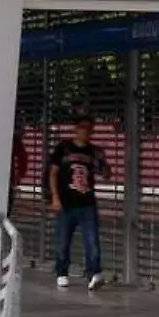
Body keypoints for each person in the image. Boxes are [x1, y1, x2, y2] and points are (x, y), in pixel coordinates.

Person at [48, 115, 110, 290]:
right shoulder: (64, 148)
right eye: (83, 127)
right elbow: (53, 173)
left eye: (90, 128)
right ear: (76, 128)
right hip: (66, 203)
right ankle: (62, 272)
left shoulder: (93, 151)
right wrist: (55, 197)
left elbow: (106, 174)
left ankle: (94, 273)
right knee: (63, 241)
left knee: (92, 240)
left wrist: (103, 160)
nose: (86, 131)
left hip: (87, 203)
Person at [9, 130, 28, 217]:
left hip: (7, 180)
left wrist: (18, 176)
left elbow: (23, 159)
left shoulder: (13, 140)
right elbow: (23, 159)